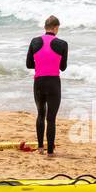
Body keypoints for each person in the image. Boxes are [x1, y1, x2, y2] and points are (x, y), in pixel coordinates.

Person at [25, 15, 68, 155]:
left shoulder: (34, 41)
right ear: (56, 28)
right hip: (53, 83)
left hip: (39, 83)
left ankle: (40, 148)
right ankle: (50, 151)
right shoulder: (62, 44)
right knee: (51, 118)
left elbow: (29, 64)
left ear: (45, 27)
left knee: (40, 114)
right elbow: (63, 67)